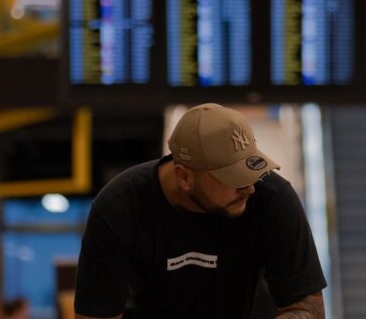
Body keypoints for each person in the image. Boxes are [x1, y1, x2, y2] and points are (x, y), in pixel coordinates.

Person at [75, 103, 326, 319]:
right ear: (184, 177)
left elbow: (307, 307)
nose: (249, 188)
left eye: (251, 171)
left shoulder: (272, 197)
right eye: (233, 178)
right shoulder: (120, 209)